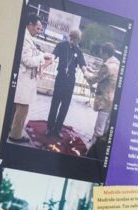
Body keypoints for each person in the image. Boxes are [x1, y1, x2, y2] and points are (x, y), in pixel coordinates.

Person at [8, 14, 53, 144]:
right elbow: (27, 60)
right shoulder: (25, 38)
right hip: (24, 79)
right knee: (22, 109)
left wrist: (41, 55)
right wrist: (42, 57)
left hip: (24, 78)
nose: (39, 32)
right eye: (37, 28)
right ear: (30, 25)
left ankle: (10, 130)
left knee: (16, 107)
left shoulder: (26, 37)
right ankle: (15, 135)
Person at [46, 29, 89, 138]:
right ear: (70, 36)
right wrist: (47, 61)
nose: (74, 41)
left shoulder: (78, 51)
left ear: (78, 40)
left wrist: (87, 74)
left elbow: (82, 65)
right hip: (61, 77)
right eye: (72, 38)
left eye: (76, 40)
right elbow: (54, 56)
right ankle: (50, 128)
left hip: (70, 81)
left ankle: (57, 129)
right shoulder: (61, 45)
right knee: (55, 103)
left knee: (65, 106)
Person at [84, 42, 120, 154]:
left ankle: (92, 150)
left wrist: (85, 72)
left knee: (99, 128)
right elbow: (103, 74)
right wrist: (93, 70)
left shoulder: (107, 66)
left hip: (105, 101)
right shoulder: (117, 63)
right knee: (106, 128)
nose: (101, 56)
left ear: (106, 53)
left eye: (102, 54)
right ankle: (101, 149)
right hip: (113, 100)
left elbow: (94, 79)